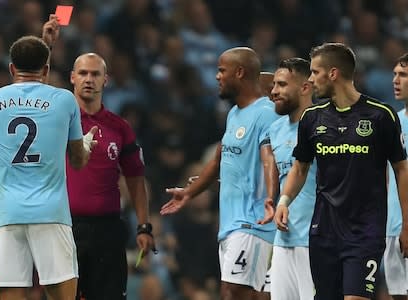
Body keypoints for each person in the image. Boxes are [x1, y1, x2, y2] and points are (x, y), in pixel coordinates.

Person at [0, 35, 97, 300]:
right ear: (46, 70)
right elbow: (78, 161)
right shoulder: (65, 100)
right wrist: (87, 145)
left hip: (7, 217)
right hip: (51, 214)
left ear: (11, 68)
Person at [274, 42, 408, 300]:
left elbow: (402, 170)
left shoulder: (381, 116)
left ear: (333, 74)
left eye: (314, 72)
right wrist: (284, 200)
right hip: (323, 232)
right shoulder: (312, 118)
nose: (311, 80)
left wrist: (406, 225)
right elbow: (300, 167)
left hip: (365, 231)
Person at [42, 16, 155, 300]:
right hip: (64, 228)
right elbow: (34, 89)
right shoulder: (57, 118)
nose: (89, 79)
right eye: (83, 73)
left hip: (108, 230)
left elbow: (135, 177)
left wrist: (143, 225)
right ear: (72, 77)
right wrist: (47, 44)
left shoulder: (120, 127)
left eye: (94, 74)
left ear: (106, 79)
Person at [160, 47, 280, 300]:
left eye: (222, 70)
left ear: (239, 72)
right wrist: (190, 192)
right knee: (253, 294)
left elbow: (269, 160)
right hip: (230, 224)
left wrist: (271, 197)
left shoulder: (266, 113)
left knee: (233, 292)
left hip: (252, 222)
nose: (217, 76)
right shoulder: (235, 113)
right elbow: (218, 160)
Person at [267, 58, 315, 300]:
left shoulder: (325, 126)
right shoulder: (275, 130)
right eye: (274, 84)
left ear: (305, 87)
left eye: (282, 84)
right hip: (283, 239)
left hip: (316, 241)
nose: (274, 91)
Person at [384, 52, 408, 300]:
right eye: (394, 74)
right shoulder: (392, 122)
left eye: (403, 75)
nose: (395, 80)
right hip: (392, 228)